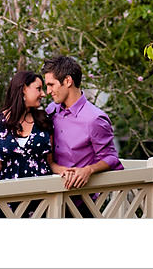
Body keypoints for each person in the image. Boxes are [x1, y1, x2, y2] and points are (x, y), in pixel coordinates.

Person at [0, 71, 65, 217]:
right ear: (23, 89)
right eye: (38, 88)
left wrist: (66, 171)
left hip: (42, 199)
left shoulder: (45, 121)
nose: (43, 94)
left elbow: (50, 162)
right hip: (8, 198)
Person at [42, 56, 123, 196]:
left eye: (51, 85)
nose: (48, 91)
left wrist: (88, 170)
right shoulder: (50, 111)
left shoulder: (94, 119)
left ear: (68, 81)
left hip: (81, 199)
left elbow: (111, 157)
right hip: (50, 194)